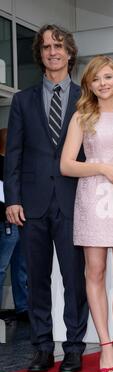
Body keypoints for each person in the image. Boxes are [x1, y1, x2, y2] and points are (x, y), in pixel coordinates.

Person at [4, 25, 89, 372]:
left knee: (74, 280)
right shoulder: (22, 100)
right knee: (35, 280)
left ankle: (73, 348)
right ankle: (41, 347)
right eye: (46, 47)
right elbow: (14, 153)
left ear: (70, 53)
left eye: (58, 46)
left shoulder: (87, 98)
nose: (52, 52)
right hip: (31, 205)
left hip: (73, 202)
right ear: (40, 55)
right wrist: (12, 199)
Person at [60, 56, 113, 372]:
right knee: (95, 272)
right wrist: (101, 167)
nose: (102, 83)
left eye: (108, 77)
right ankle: (106, 345)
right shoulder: (82, 117)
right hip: (95, 196)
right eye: (96, 79)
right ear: (89, 85)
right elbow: (66, 165)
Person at [0, 129, 28, 320]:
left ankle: (23, 306)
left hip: (17, 222)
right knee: (4, 267)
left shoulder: (15, 164)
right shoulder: (5, 165)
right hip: (7, 223)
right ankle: (22, 306)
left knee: (20, 266)